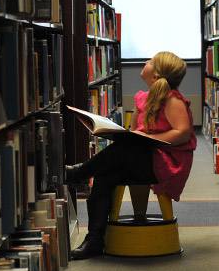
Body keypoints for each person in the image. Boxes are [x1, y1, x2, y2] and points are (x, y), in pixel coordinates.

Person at [65, 51, 198, 260]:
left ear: (155, 75)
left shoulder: (173, 100)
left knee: (122, 151)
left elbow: (183, 133)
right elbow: (135, 130)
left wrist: (150, 138)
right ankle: (94, 240)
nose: (146, 61)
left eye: (151, 61)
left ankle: (79, 173)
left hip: (166, 163)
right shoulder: (143, 98)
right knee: (104, 176)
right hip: (144, 158)